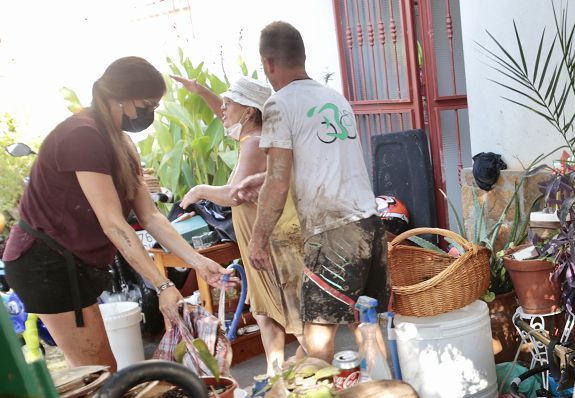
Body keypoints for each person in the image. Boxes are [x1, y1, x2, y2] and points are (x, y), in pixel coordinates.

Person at [2, 57, 231, 370]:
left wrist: (198, 261)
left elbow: (150, 217)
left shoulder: (120, 140)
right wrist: (162, 287)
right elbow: (113, 223)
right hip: (45, 263)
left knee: (99, 370)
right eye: (148, 103)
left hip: (72, 262)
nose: (151, 112)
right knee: (98, 372)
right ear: (122, 99)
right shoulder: (82, 136)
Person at [234, 21, 389, 363]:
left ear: (268, 64)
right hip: (369, 224)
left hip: (333, 234)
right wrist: (260, 180)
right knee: (367, 327)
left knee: (318, 343)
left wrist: (257, 240)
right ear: (302, 57)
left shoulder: (278, 104)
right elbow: (317, 163)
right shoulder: (334, 98)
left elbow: (278, 181)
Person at [173, 74, 306, 374]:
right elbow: (225, 117)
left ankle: (315, 368)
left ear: (248, 111)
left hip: (273, 244)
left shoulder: (256, 142)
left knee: (294, 318)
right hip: (259, 245)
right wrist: (201, 91)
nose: (222, 110)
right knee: (265, 315)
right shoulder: (251, 135)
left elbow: (234, 195)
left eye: (228, 104)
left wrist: (199, 191)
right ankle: (277, 376)